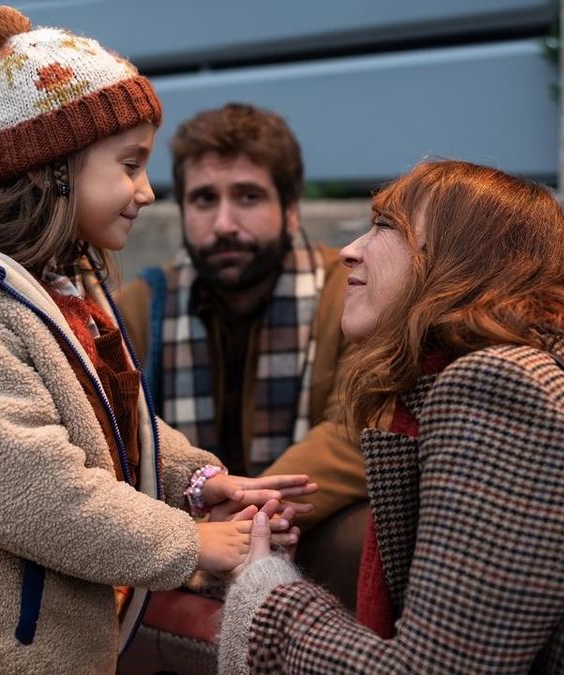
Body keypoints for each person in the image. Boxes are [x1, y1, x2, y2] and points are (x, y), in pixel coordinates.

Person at [0, 7, 315, 673]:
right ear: (56, 166)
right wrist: (195, 542)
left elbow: (116, 422)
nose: (147, 191)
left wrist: (197, 479)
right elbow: (34, 488)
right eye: (130, 163)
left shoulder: (67, 286)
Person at [218, 160, 564, 673]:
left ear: (459, 258)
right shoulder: (549, 368)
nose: (349, 252)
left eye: (383, 226)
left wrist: (269, 596)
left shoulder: (502, 386)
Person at [115, 104, 368, 602]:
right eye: (205, 199)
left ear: (290, 209)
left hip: (301, 530)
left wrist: (243, 516)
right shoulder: (141, 308)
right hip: (184, 537)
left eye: (248, 197)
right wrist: (202, 530)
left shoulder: (349, 296)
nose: (225, 223)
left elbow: (356, 429)